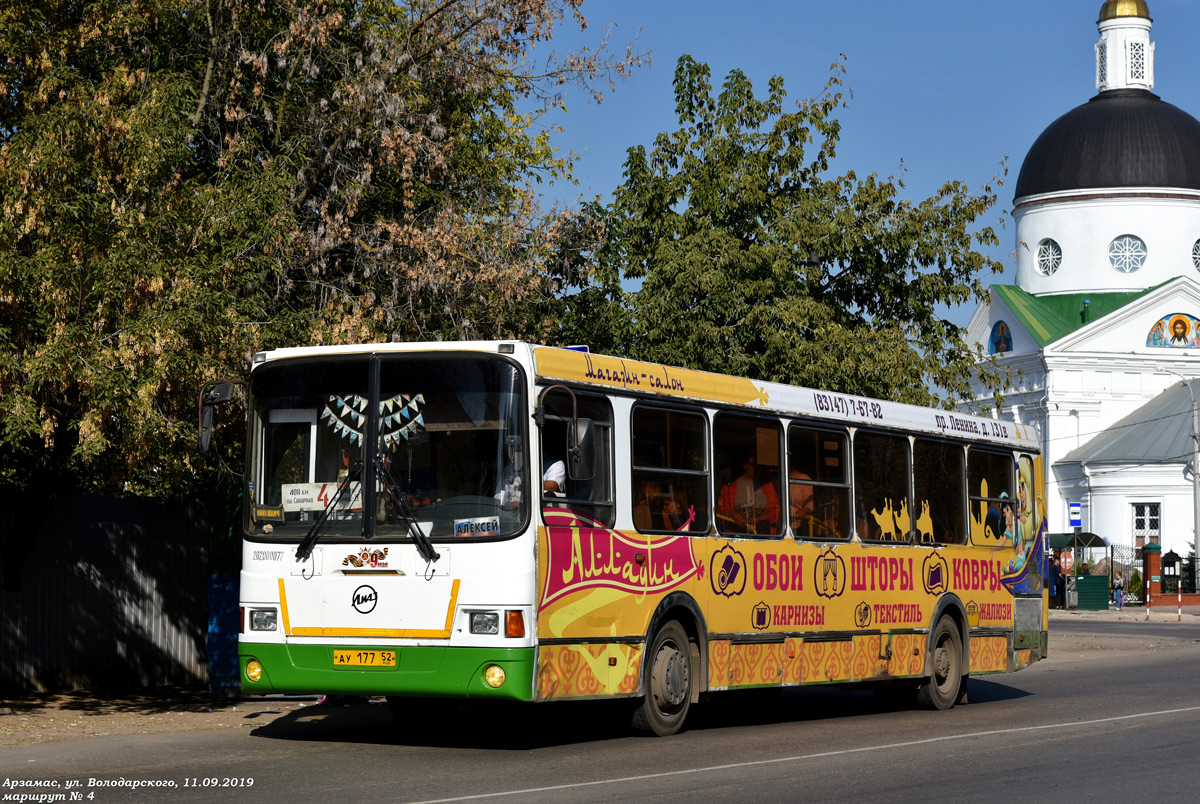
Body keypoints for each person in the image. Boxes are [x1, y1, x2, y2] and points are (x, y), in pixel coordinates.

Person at [717, 451, 780, 535]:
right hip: (737, 535)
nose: (758, 469)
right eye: (754, 465)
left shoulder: (767, 486)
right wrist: (733, 515)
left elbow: (776, 509)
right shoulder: (729, 487)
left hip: (763, 533)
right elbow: (722, 509)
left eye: (760, 466)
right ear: (745, 465)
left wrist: (760, 519)